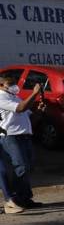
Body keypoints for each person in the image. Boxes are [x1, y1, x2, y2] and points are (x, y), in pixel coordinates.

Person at [0, 72, 43, 210]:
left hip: (24, 136)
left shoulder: (15, 97)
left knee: (27, 167)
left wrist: (39, 112)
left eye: (14, 83)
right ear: (1, 85)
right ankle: (16, 198)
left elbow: (28, 116)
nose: (14, 86)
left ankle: (25, 198)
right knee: (20, 166)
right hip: (10, 136)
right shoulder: (1, 98)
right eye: (10, 84)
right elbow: (21, 108)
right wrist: (34, 93)